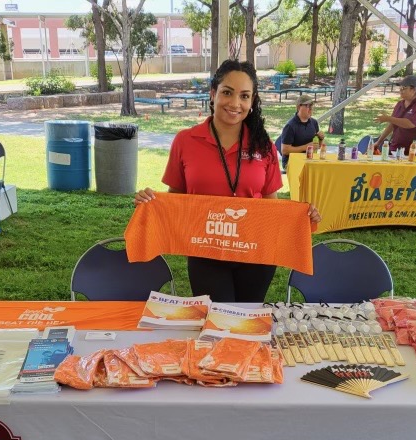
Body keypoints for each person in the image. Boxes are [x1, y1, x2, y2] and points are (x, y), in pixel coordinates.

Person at [134, 59, 321, 303]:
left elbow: (271, 206)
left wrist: (302, 216)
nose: (235, 103)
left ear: (252, 101)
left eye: (244, 96)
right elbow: (175, 200)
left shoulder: (263, 145)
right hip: (205, 251)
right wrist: (150, 202)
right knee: (216, 320)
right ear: (213, 94)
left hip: (256, 253)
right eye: (227, 92)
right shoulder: (186, 141)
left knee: (246, 320)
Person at [374, 75, 416, 157]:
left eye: (404, 88)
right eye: (400, 87)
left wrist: (388, 118)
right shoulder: (399, 104)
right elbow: (392, 125)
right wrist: (378, 142)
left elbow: (410, 124)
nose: (401, 90)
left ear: (414, 89)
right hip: (396, 149)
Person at [279, 94, 324, 169]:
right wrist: (306, 147)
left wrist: (321, 139)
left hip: (309, 160)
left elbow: (317, 146)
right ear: (299, 107)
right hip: (292, 162)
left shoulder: (314, 123)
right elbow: (285, 150)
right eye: (307, 106)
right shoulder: (290, 126)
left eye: (312, 106)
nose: (310, 109)